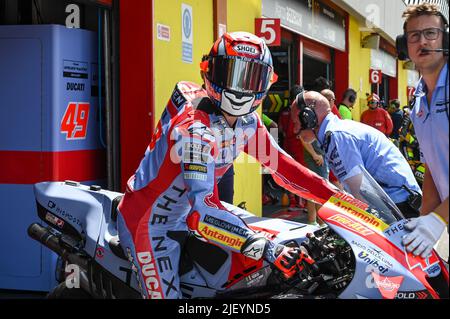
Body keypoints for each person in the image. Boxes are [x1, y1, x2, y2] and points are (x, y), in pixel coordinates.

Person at [116, 32, 338, 299]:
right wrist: (270, 250)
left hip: (188, 213)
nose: (242, 87)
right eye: (233, 74)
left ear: (266, 82)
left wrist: (344, 203)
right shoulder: (195, 130)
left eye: (251, 77)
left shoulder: (247, 123)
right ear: (211, 72)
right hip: (150, 223)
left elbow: (286, 170)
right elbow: (204, 213)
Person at [290, 90, 422, 220]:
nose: (295, 130)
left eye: (296, 123)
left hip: (401, 205)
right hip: (397, 201)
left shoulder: (337, 136)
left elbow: (359, 193)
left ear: (309, 118)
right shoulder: (335, 133)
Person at [399, 3, 449, 258]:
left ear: (446, 39)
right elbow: (432, 164)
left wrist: (438, 220)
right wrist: (424, 220)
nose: (423, 42)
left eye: (431, 33)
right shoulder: (418, 98)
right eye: (414, 36)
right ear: (404, 46)